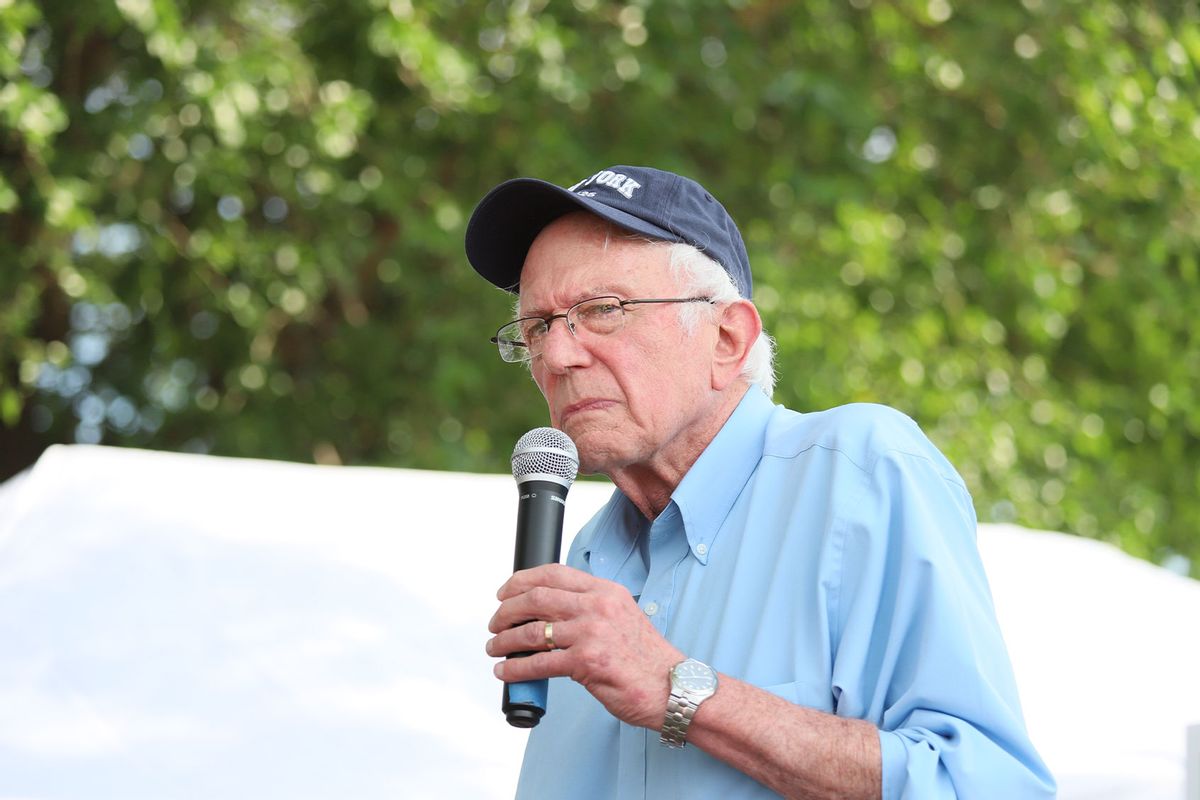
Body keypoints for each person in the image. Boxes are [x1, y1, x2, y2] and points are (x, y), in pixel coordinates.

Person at [466, 165, 1055, 799]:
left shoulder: (858, 472)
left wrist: (675, 688)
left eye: (602, 310)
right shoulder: (585, 556)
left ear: (726, 337)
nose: (557, 357)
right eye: (537, 328)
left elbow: (985, 786)